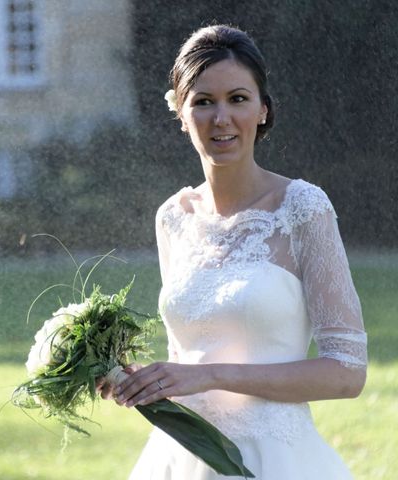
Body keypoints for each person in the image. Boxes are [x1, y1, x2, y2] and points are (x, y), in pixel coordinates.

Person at [101, 24, 368, 479]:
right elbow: (187, 357)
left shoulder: (303, 208)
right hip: (181, 455)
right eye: (203, 102)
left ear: (263, 110)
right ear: (181, 115)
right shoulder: (173, 216)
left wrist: (213, 376)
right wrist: (140, 378)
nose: (220, 118)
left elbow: (346, 373)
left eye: (237, 99)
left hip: (275, 459)